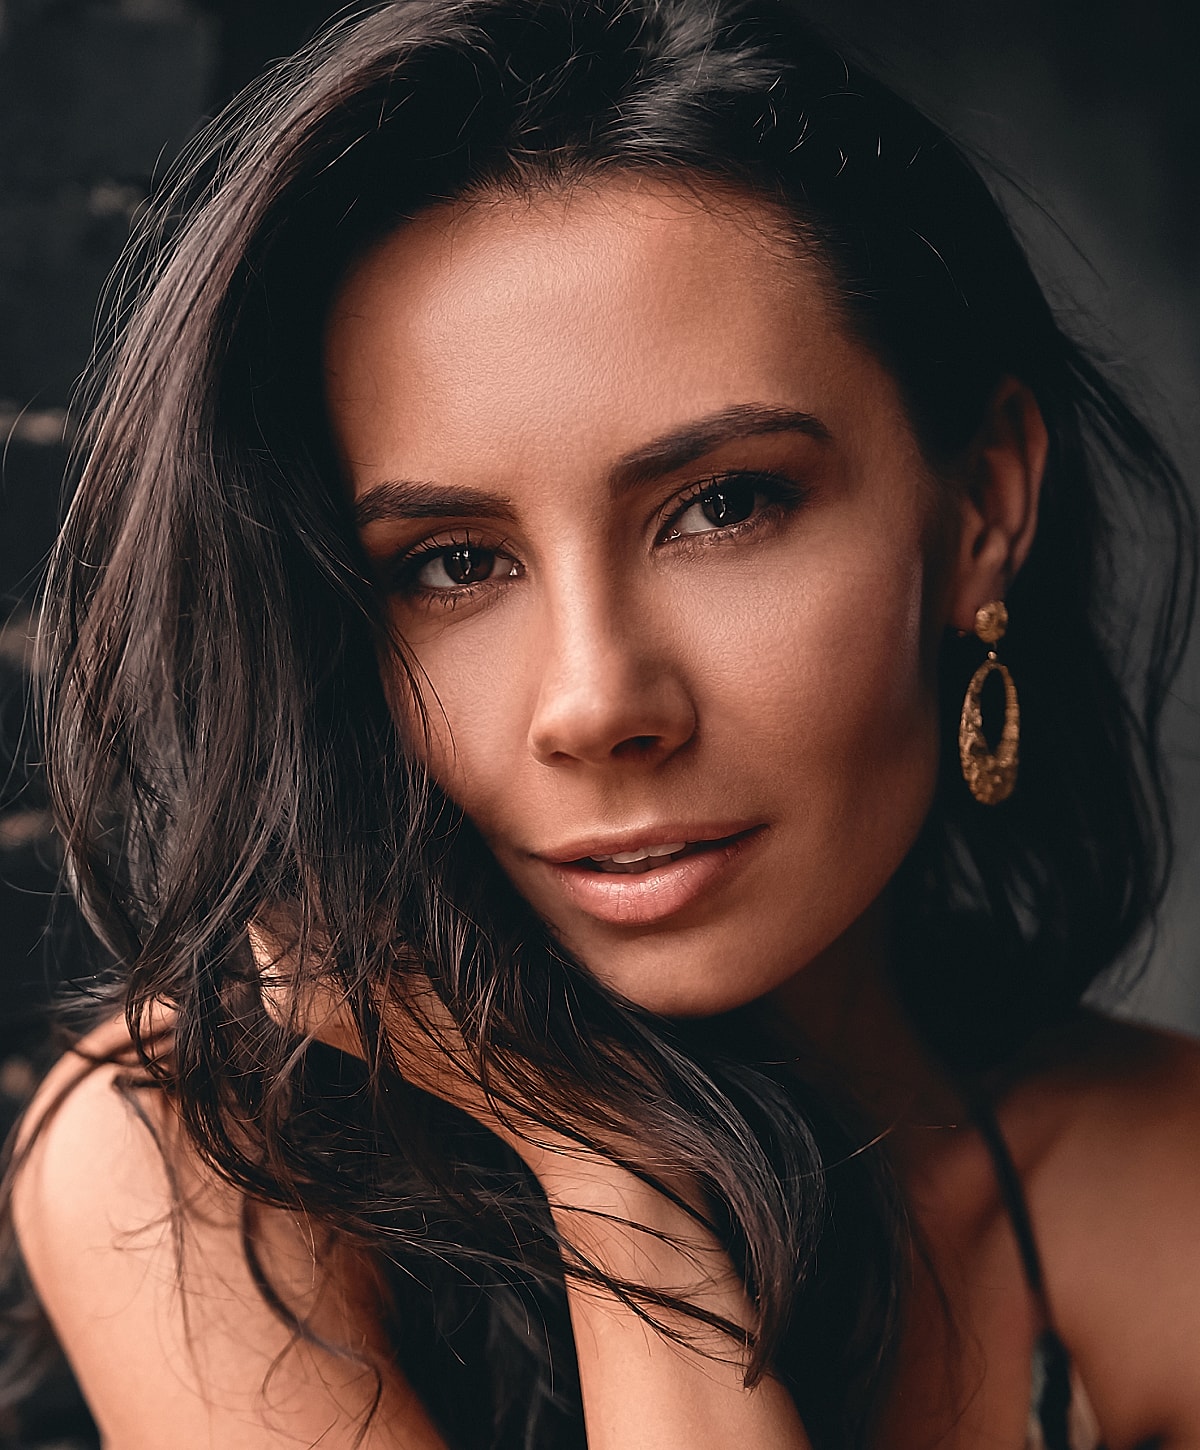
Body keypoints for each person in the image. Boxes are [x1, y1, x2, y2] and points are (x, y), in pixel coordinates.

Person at [4, 1, 1199, 1446]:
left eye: (723, 505)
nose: (595, 704)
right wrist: (610, 1173)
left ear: (985, 506)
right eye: (455, 563)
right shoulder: (192, 1174)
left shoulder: (1162, 1192)